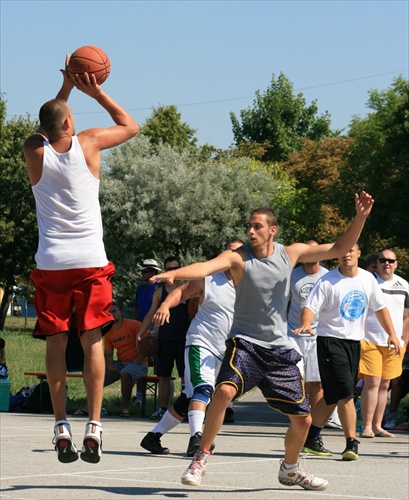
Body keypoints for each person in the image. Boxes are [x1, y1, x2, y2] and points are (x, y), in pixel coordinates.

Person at [149, 192, 375, 491]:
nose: (251, 232)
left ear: (272, 229)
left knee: (304, 421)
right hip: (245, 343)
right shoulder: (238, 257)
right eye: (249, 227)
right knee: (224, 391)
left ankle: (290, 469)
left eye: (257, 227)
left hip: (279, 349)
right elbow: (204, 267)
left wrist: (360, 217)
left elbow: (339, 247)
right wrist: (175, 273)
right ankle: (201, 457)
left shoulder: (290, 253)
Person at [23, 56, 139, 464]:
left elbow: (46, 124)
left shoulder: (33, 151)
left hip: (52, 263)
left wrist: (67, 91)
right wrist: (95, 90)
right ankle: (93, 424)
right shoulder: (88, 142)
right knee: (92, 339)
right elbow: (131, 126)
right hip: (90, 261)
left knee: (55, 341)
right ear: (70, 125)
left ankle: (60, 425)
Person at [296, 243, 400, 461]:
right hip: (330, 341)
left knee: (333, 395)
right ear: (337, 257)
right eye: (342, 253)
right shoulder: (327, 280)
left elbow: (380, 308)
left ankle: (310, 437)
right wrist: (306, 323)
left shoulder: (367, 279)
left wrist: (391, 333)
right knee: (345, 392)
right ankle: (351, 442)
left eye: (351, 251)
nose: (346, 256)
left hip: (354, 343)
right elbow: (310, 307)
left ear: (358, 254)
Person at [140, 239, 243, 456]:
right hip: (201, 343)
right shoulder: (209, 280)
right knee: (203, 390)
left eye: (240, 253)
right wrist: (166, 305)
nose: (235, 257)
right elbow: (181, 292)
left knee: (189, 397)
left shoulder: (249, 286)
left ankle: (152, 437)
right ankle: (196, 440)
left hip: (224, 350)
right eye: (230, 252)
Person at [286, 241, 341, 429]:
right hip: (293, 334)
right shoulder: (292, 275)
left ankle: (314, 422)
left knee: (316, 382)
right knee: (296, 378)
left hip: (319, 336)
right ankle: (299, 418)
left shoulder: (327, 277)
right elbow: (284, 304)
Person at [360, 250, 409, 436]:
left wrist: (404, 340)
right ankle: (366, 426)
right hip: (370, 339)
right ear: (377, 263)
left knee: (384, 384)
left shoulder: (404, 285)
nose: (386, 263)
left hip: (395, 342)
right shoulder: (367, 280)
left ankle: (377, 426)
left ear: (396, 264)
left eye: (390, 261)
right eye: (383, 260)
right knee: (372, 382)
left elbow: (406, 316)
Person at [137, 256, 190, 420]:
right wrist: (141, 332)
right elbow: (151, 313)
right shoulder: (160, 291)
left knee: (185, 376)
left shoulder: (188, 288)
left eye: (175, 268)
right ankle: (163, 408)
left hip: (185, 338)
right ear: (165, 271)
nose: (172, 271)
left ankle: (187, 408)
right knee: (163, 375)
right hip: (165, 338)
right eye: (169, 268)